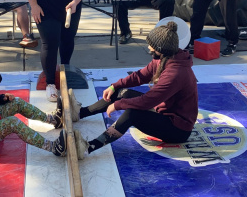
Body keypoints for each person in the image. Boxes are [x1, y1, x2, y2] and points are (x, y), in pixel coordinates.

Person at [69, 22, 198, 159]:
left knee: (132, 113)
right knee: (121, 92)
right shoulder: (165, 57)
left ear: (160, 49)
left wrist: (118, 105)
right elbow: (140, 76)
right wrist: (115, 85)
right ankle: (79, 113)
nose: (149, 47)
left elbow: (147, 101)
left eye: (151, 45)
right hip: (164, 112)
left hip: (178, 129)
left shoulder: (176, 73)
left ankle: (88, 148)